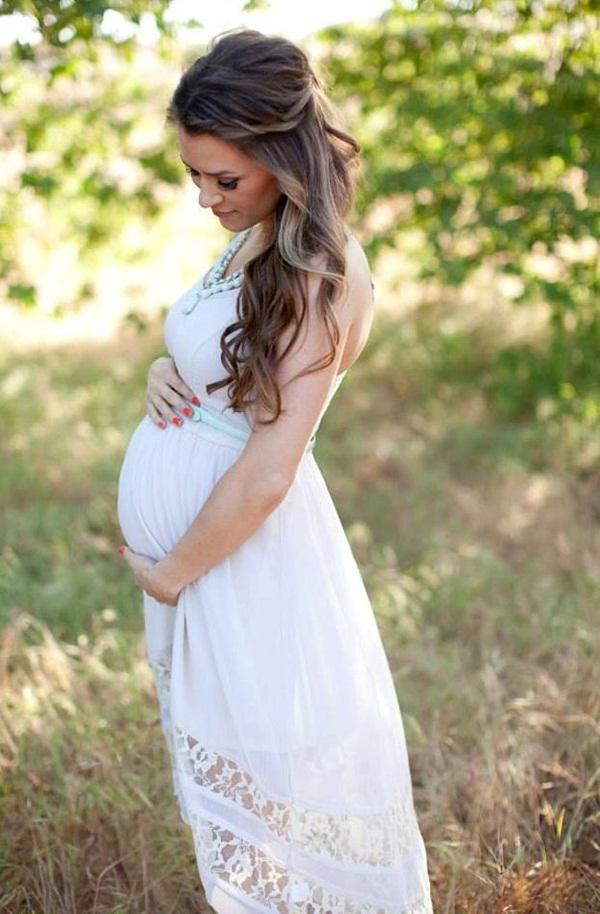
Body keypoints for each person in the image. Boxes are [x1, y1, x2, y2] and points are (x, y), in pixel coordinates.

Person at [116, 27, 434, 914]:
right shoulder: (256, 238)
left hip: (241, 556)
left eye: (227, 178)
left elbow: (269, 467)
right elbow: (226, 369)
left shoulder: (322, 268)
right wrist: (162, 370)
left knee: (277, 784)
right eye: (195, 176)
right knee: (243, 786)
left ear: (284, 156)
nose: (206, 198)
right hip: (211, 560)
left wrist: (174, 573)